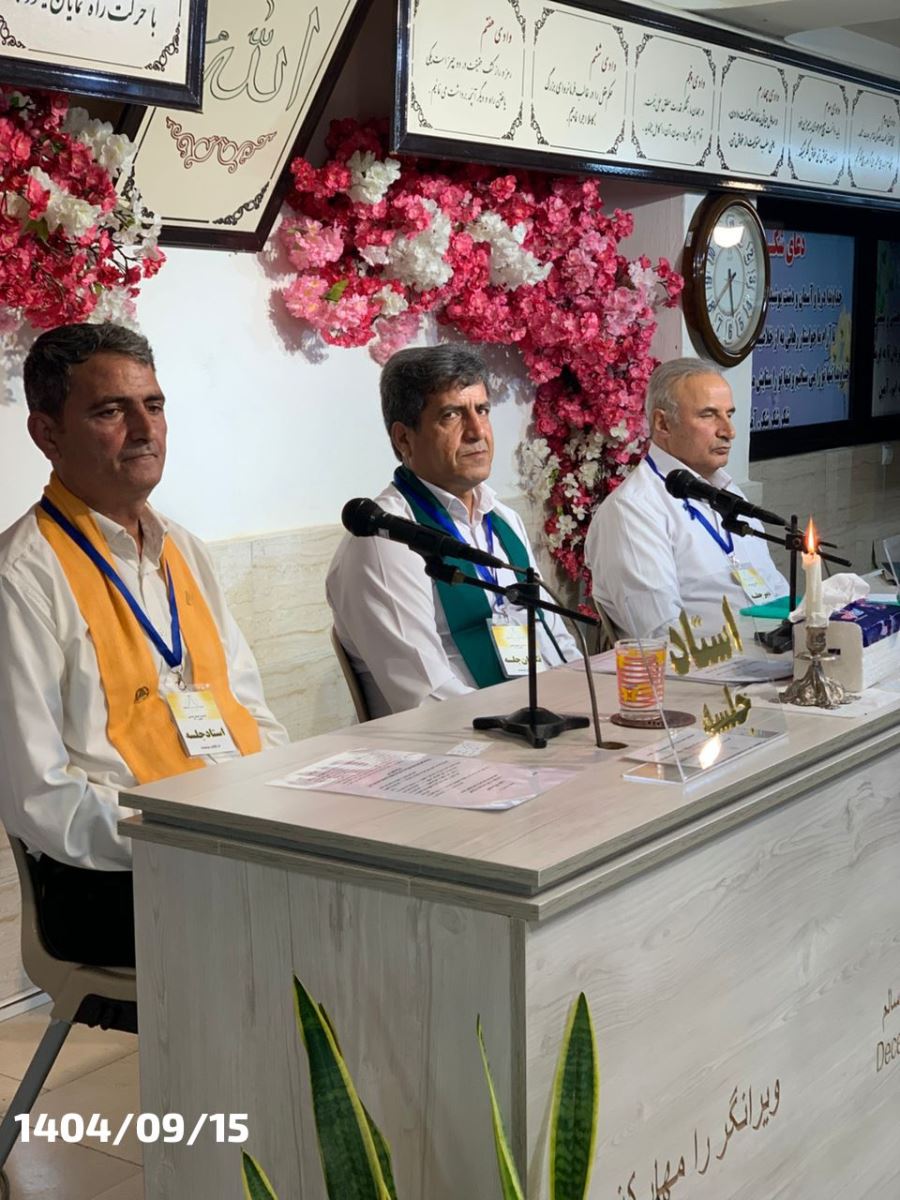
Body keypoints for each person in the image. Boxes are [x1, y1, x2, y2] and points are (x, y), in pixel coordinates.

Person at [0, 323, 287, 967]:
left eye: (153, 406)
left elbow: (251, 711)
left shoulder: (184, 550)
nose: (143, 429)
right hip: (109, 875)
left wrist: (280, 801)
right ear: (47, 434)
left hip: (223, 836)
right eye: (110, 411)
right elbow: (41, 798)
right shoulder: (20, 577)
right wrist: (197, 837)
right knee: (320, 921)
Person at [327, 345, 580, 717]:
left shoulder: (503, 520)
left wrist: (587, 705)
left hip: (540, 721)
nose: (477, 432)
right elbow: (426, 698)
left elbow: (555, 642)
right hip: (461, 740)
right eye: (452, 415)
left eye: (482, 410)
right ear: (404, 439)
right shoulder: (385, 540)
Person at [584, 358, 788, 638]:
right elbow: (664, 635)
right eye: (708, 415)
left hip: (771, 652)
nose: (728, 431)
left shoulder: (730, 494)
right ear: (663, 423)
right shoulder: (632, 510)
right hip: (709, 663)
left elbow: (776, 592)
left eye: (729, 414)